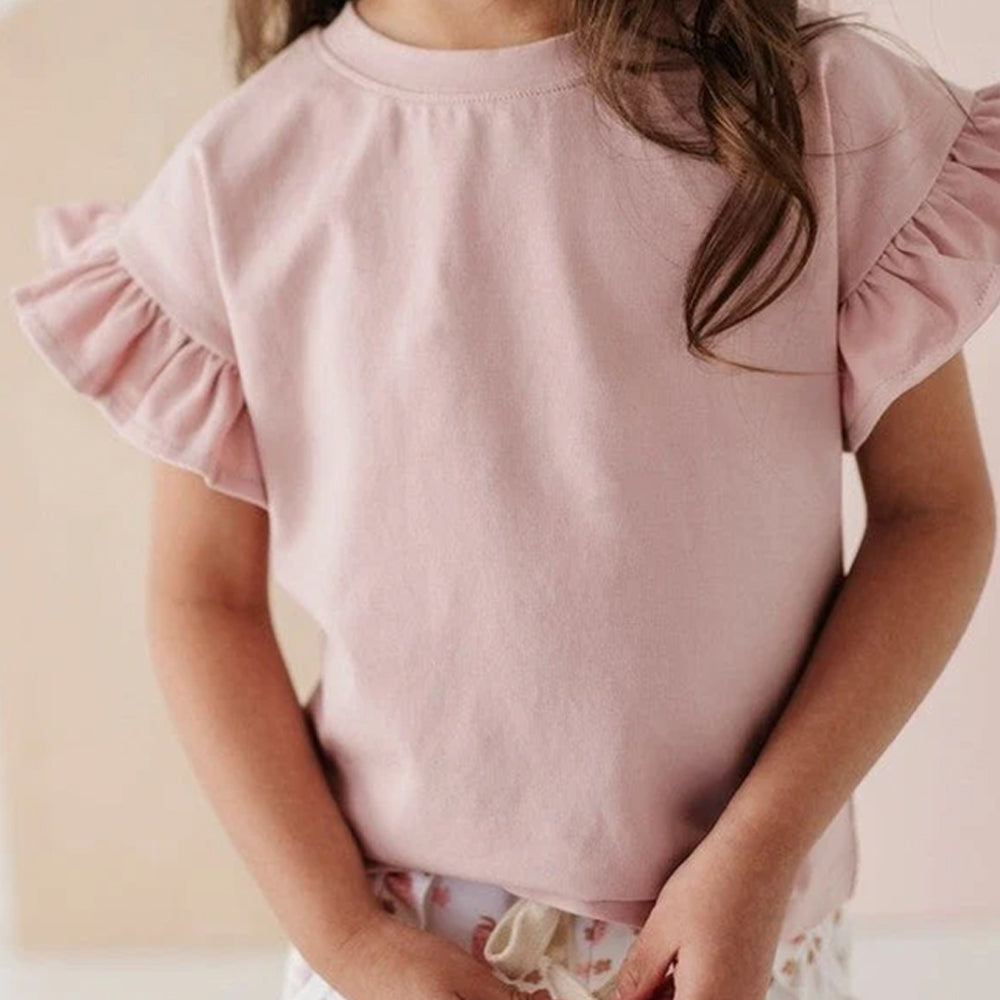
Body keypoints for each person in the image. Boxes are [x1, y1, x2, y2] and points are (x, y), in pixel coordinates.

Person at [8, 1, 999, 998]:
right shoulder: (239, 180)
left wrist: (759, 848)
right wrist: (349, 938)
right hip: (400, 950)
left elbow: (934, 511)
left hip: (744, 936)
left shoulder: (814, 105)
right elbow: (201, 598)